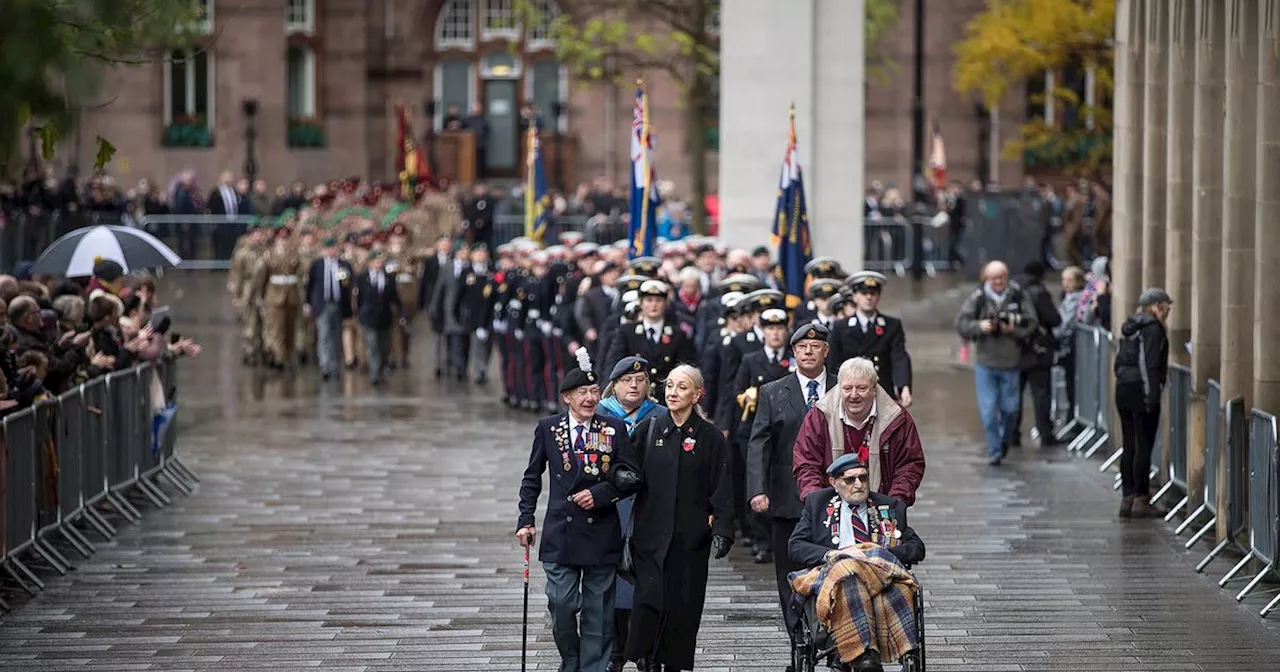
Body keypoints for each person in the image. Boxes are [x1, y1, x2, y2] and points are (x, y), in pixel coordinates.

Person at [517, 349, 642, 672]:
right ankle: (570, 660)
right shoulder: (548, 428)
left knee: (599, 610)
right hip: (561, 532)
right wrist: (525, 520)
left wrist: (600, 494)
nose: (589, 398)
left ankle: (592, 667)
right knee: (561, 602)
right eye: (581, 393)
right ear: (567, 398)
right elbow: (532, 478)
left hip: (601, 531)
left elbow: (632, 477)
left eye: (594, 392)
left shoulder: (613, 428)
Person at [625, 365, 735, 672]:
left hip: (690, 537)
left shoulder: (711, 437)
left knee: (683, 604)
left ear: (697, 394)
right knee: (649, 599)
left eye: (682, 387)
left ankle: (672, 661)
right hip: (649, 533)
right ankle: (646, 659)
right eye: (669, 385)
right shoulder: (648, 428)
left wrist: (724, 528)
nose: (672, 392)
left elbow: (722, 486)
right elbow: (627, 470)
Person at [788, 453, 926, 672]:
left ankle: (854, 653)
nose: (858, 485)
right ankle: (863, 654)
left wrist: (877, 553)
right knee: (848, 573)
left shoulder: (888, 507)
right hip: (833, 574)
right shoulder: (817, 504)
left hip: (879, 575)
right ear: (834, 483)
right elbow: (795, 546)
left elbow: (917, 547)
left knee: (853, 575)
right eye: (850, 480)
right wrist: (830, 555)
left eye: (863, 477)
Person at [746, 322, 836, 643]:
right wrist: (758, 489)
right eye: (802, 347)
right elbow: (759, 443)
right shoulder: (773, 391)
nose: (809, 352)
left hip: (833, 497)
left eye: (816, 347)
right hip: (786, 497)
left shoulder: (842, 388)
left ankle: (832, 635)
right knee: (788, 573)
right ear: (793, 352)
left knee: (833, 569)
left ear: (826, 351)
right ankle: (798, 637)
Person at [597, 356, 666, 672]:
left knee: (649, 581)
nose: (634, 385)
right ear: (615, 385)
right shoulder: (598, 417)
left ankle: (646, 650)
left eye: (640, 381)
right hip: (610, 509)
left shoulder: (661, 416)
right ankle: (616, 650)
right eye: (627, 380)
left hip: (651, 508)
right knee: (613, 581)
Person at [792, 357, 926, 506]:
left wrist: (895, 501)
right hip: (829, 509)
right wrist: (816, 501)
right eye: (847, 389)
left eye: (862, 388)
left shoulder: (897, 418)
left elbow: (910, 465)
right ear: (839, 388)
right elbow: (806, 463)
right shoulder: (819, 416)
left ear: (874, 389)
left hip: (883, 507)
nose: (854, 395)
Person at [955, 261, 1039, 465]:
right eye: (994, 278)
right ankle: (994, 450)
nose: (998, 282)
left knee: (1011, 409)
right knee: (989, 411)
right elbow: (962, 324)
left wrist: (1014, 330)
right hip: (986, 362)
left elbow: (1032, 323)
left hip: (1011, 362)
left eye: (1002, 277)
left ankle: (1003, 440)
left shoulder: (1018, 295)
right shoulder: (979, 297)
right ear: (986, 279)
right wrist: (980, 326)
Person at [1114, 288, 1172, 519]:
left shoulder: (1131, 326)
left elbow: (1120, 361)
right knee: (1143, 444)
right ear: (1157, 306)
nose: (1168, 310)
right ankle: (1140, 498)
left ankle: (1127, 498)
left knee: (1130, 443)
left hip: (1124, 387)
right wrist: (1152, 396)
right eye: (1166, 305)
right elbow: (1149, 364)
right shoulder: (1152, 328)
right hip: (1141, 389)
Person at [827, 272, 912, 407]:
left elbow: (899, 357)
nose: (868, 297)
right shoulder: (840, 327)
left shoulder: (891, 325)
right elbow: (832, 362)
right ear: (854, 296)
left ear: (878, 296)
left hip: (882, 392)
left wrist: (903, 386)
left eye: (873, 293)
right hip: (850, 394)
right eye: (863, 293)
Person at [1012, 260, 1062, 447]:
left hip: (1016, 350)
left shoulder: (1013, 292)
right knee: (1041, 395)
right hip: (1038, 351)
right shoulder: (1039, 292)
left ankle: (1012, 433)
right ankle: (1045, 433)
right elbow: (1054, 319)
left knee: (1015, 395)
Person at [305, 236, 354, 380]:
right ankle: (325, 365)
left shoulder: (343, 265)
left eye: (334, 248)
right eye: (329, 248)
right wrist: (308, 303)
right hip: (323, 304)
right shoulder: (317, 265)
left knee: (336, 336)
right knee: (324, 335)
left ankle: (334, 366)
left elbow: (347, 286)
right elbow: (310, 285)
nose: (332, 251)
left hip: (338, 305)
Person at [354, 251, 403, 386]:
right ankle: (374, 374)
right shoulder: (363, 277)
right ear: (370, 262)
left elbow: (395, 297)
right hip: (368, 317)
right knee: (373, 345)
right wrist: (359, 313)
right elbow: (358, 298)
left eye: (380, 261)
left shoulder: (388, 277)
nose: (378, 263)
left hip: (384, 317)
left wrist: (401, 313)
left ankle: (380, 370)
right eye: (375, 261)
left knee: (384, 346)